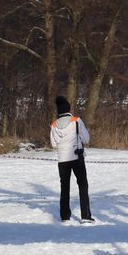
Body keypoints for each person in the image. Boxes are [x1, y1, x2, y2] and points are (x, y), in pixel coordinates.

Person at [50, 95, 93, 224]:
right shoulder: (76, 121)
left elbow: (53, 144)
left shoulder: (53, 125)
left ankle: (64, 216)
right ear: (68, 109)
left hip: (62, 160)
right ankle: (85, 215)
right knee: (83, 185)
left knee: (64, 187)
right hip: (76, 157)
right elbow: (86, 139)